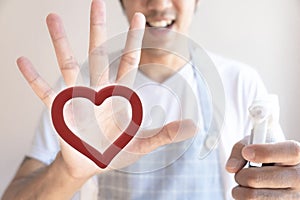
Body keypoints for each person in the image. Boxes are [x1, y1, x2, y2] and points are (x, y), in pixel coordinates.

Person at [3, 0, 300, 199]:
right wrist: (67, 172)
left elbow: (277, 185)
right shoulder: (79, 96)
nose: (158, 4)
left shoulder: (239, 83)